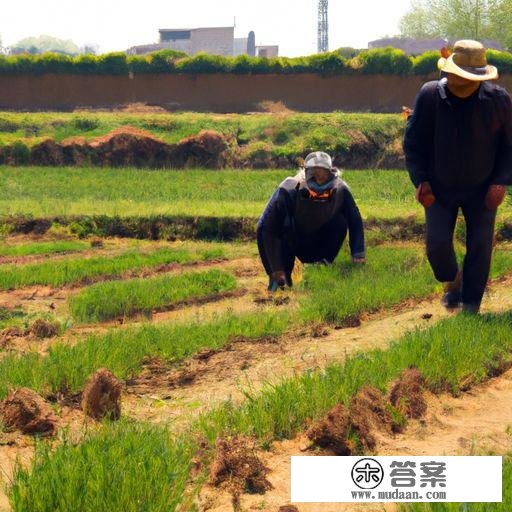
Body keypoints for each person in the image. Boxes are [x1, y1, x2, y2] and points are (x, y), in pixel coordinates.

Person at [404, 40, 512, 313]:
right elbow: (413, 144)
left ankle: (471, 304)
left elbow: (509, 147)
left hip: (482, 188)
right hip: (440, 188)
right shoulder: (430, 97)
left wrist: (500, 181)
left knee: (479, 245)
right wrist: (421, 181)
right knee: (437, 246)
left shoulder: (498, 100)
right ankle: (452, 281)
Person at [257, 151, 365, 291]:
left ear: (331, 173)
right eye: (315, 174)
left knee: (340, 221)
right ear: (307, 173)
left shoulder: (341, 190)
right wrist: (274, 268)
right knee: (285, 225)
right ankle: (281, 281)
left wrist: (358, 253)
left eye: (323, 174)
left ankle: (322, 265)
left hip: (321, 242)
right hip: (293, 240)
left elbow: (355, 220)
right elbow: (264, 228)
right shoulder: (289, 189)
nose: (319, 179)